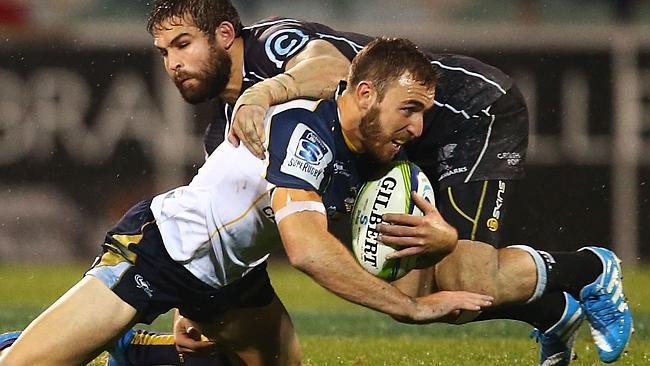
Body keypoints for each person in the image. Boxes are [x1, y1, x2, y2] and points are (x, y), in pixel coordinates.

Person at [139, 1, 629, 365]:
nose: (173, 64)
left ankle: (588, 269)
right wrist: (195, 307)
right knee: (406, 291)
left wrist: (266, 91)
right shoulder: (222, 130)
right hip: (390, 146)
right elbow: (246, 226)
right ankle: (550, 313)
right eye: (163, 53)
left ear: (225, 34)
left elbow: (335, 70)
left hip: (467, 115)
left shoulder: (273, 45)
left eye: (183, 45)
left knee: (466, 279)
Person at [0, 37, 496, 366]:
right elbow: (306, 250)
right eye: (409, 109)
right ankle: (91, 344)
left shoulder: (377, 151)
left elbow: (388, 263)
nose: (418, 127)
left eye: (425, 113)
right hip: (163, 249)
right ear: (365, 94)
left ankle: (132, 353)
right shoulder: (305, 130)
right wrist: (409, 309)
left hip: (234, 275)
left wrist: (437, 244)